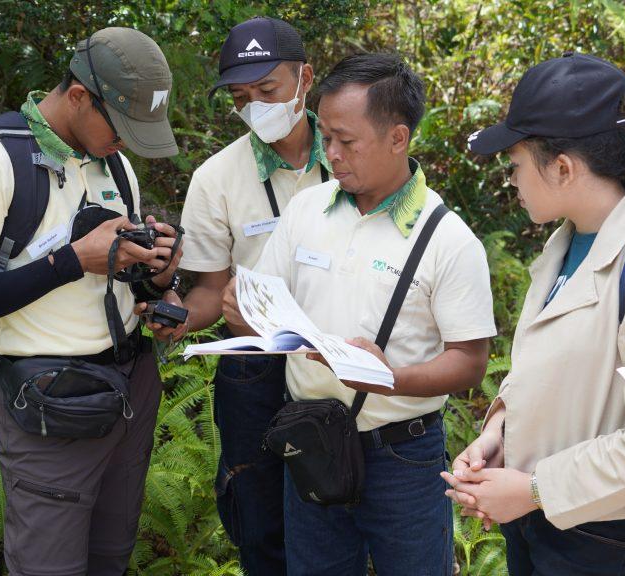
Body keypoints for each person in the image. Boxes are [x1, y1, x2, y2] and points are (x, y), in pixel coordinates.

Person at [443, 52, 625, 575]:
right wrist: (498, 434)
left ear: (564, 167)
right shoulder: (565, 243)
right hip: (543, 514)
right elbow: (547, 371)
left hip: (607, 534)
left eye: (516, 166)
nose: (513, 182)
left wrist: (531, 488)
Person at [222, 52, 496, 575]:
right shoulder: (307, 209)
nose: (332, 153)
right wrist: (244, 311)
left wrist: (389, 378)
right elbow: (263, 311)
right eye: (326, 137)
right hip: (309, 440)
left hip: (402, 458)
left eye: (347, 141)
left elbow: (470, 362)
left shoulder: (448, 240)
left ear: (398, 138)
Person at [0, 27, 182, 575]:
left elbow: (113, 278)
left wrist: (153, 273)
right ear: (78, 96)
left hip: (130, 385)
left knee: (111, 555)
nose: (126, 143)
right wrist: (72, 261)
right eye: (122, 127)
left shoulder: (112, 161)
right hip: (50, 401)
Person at [176, 17, 331, 573]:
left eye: (268, 91)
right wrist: (174, 318)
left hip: (338, 359)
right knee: (259, 518)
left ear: (305, 78)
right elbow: (209, 291)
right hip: (255, 365)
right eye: (242, 98)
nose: (256, 106)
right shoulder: (216, 178)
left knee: (337, 505)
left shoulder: (353, 156)